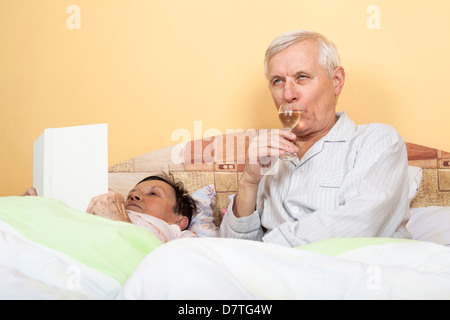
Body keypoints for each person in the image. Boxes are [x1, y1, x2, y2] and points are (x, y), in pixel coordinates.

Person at [219, 30, 411, 247]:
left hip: (353, 273)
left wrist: (265, 252)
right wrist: (249, 181)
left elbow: (359, 226)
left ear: (336, 81)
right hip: (276, 275)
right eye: (277, 81)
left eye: (302, 77)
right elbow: (229, 253)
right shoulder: (266, 157)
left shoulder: (377, 141)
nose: (288, 94)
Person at [23, 173, 199, 243]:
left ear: (180, 221)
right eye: (132, 193)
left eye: (153, 194)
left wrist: (122, 225)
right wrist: (37, 210)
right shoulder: (102, 207)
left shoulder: (180, 237)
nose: (134, 197)